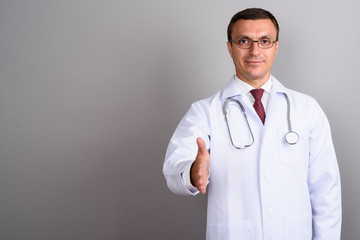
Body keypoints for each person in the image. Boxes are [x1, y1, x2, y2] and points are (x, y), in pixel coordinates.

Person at [163, 8, 341, 240]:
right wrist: (192, 172)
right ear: (230, 47)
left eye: (264, 41)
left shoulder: (307, 109)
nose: (254, 50)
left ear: (276, 46)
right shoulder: (204, 111)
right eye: (244, 41)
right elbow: (173, 170)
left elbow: (326, 191)